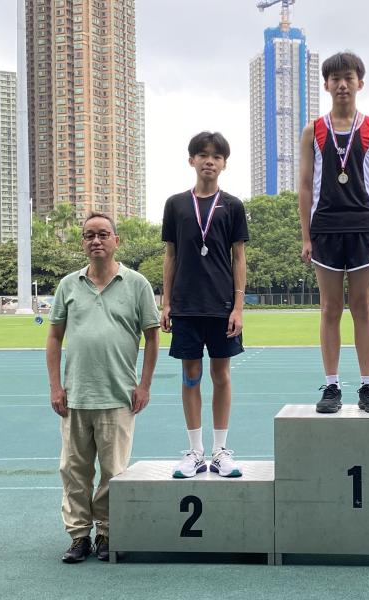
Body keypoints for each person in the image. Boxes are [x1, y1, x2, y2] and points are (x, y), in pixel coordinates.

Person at [46, 212, 160, 563]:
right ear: (83, 242)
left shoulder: (137, 283)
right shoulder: (68, 285)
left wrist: (144, 385)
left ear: (116, 240)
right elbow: (54, 337)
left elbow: (153, 337)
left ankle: (108, 533)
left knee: (114, 473)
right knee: (74, 471)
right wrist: (55, 386)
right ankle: (79, 536)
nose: (96, 241)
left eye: (103, 235)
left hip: (118, 396)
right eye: (88, 235)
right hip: (76, 395)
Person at [298, 51, 369, 414]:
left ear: (360, 83)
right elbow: (305, 186)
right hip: (326, 227)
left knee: (363, 307)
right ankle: (332, 386)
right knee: (330, 308)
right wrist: (306, 236)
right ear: (326, 85)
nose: (341, 84)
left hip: (363, 226)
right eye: (334, 78)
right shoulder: (313, 130)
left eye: (348, 77)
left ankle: (367, 387)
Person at [162, 131, 249, 479]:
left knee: (221, 375)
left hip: (221, 304)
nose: (209, 160)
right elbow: (170, 256)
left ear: (224, 163)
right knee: (191, 376)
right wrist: (166, 302)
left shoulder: (233, 205)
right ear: (191, 160)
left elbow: (239, 257)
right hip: (185, 305)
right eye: (202, 154)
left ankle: (220, 451)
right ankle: (195, 451)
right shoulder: (175, 204)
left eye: (216, 156)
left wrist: (238, 307)